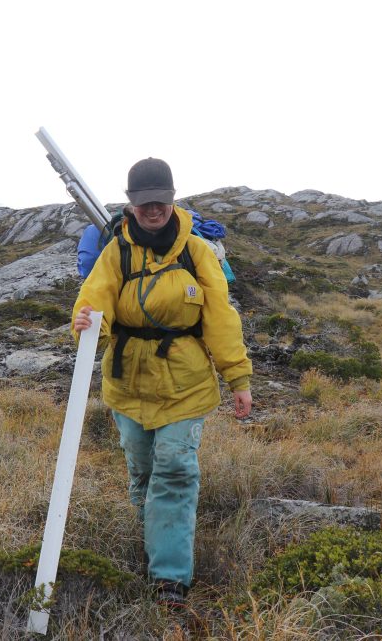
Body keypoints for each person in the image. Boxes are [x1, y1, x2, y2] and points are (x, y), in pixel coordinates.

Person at [71, 157, 253, 606]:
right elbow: (96, 299)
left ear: (172, 199)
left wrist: (238, 378)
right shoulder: (116, 251)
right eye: (144, 202)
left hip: (185, 385)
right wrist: (87, 323)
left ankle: (169, 578)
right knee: (144, 472)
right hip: (127, 383)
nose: (153, 210)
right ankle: (154, 539)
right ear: (131, 204)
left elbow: (220, 319)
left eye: (161, 201)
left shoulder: (197, 251)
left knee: (174, 469)